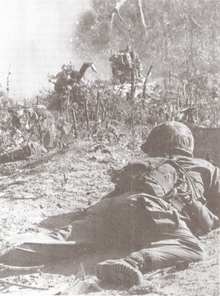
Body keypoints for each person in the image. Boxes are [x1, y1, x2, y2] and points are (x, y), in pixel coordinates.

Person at [1, 121, 220, 288]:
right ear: (188, 145)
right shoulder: (204, 166)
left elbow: (115, 194)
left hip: (110, 206)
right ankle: (135, 262)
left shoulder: (147, 164)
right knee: (191, 247)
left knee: (61, 240)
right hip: (148, 210)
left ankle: (8, 252)